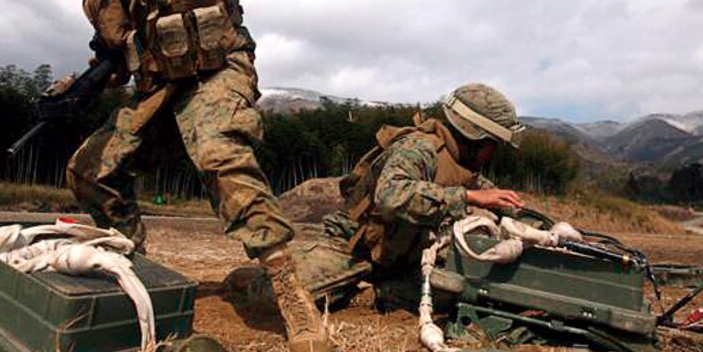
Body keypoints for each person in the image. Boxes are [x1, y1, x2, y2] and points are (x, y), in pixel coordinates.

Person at [66, 0, 390, 352]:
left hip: (219, 71)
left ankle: (292, 297)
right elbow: (120, 45)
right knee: (89, 169)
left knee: (220, 152)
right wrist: (84, 81)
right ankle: (133, 274)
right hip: (158, 85)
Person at [225, 83, 528, 311]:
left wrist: (541, 225)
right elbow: (391, 195)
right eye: (494, 144)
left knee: (464, 293)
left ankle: (378, 293)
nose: (494, 154)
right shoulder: (419, 148)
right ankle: (251, 279)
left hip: (402, 261)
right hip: (353, 247)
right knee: (279, 297)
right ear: (476, 137)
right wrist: (471, 198)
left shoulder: (465, 168)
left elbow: (502, 202)